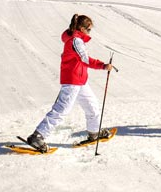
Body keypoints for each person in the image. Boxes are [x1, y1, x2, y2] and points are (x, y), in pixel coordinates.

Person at [26, 14, 114, 152]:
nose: (89, 32)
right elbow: (84, 59)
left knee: (92, 106)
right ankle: (38, 136)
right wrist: (102, 66)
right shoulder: (75, 40)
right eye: (88, 29)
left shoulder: (77, 40)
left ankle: (94, 132)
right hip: (72, 80)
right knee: (62, 109)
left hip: (80, 81)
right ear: (81, 28)